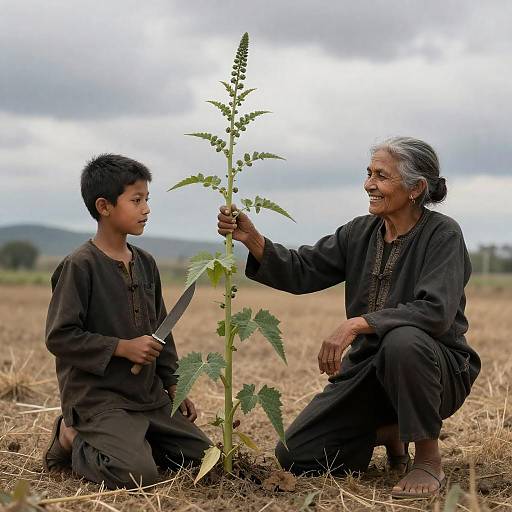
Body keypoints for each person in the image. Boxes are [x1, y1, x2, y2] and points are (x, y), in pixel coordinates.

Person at [217, 137, 480, 498]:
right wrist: (254, 240)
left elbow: (434, 312)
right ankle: (389, 431)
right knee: (296, 453)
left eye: (382, 176)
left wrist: (357, 323)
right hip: (368, 373)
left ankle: (427, 459)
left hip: (435, 370)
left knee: (403, 341)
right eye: (369, 173)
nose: (369, 184)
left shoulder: (443, 234)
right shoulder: (359, 232)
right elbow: (303, 270)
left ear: (416, 187)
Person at [43, 154, 210, 489]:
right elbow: (60, 337)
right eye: (136, 200)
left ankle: (134, 440)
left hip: (147, 397)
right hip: (99, 399)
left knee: (204, 458)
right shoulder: (80, 266)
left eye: (147, 199)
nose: (146, 209)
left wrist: (173, 383)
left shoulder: (146, 263)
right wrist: (121, 348)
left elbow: (162, 330)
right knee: (137, 474)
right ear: (104, 206)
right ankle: (71, 438)